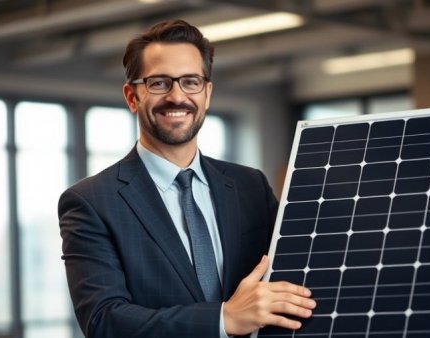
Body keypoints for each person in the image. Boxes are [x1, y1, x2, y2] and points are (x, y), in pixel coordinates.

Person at [58, 19, 316, 337]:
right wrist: (223, 319)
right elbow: (104, 321)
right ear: (131, 96)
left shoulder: (251, 186)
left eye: (191, 82)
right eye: (159, 83)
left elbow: (297, 277)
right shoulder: (92, 202)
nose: (177, 96)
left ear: (207, 94)